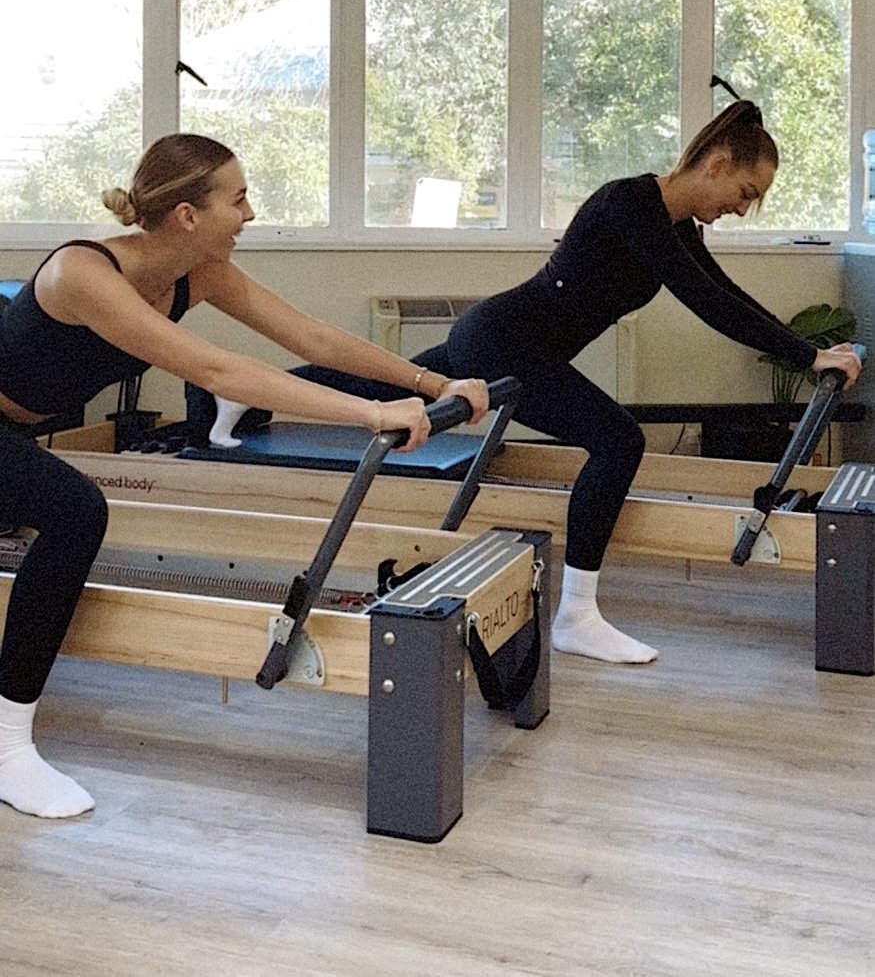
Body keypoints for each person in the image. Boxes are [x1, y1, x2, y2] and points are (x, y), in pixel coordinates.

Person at [0, 133, 489, 820]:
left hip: (14, 423)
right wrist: (373, 413)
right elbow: (216, 371)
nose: (250, 212)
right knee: (75, 510)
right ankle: (9, 751)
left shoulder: (198, 272)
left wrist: (435, 380)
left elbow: (312, 338)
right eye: (238, 198)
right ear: (187, 215)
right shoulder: (84, 273)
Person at [276, 99, 862, 665]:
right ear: (717, 164)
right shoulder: (632, 204)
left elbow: (725, 292)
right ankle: (577, 615)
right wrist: (808, 357)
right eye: (744, 193)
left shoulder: (677, 226)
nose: (741, 207)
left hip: (512, 342)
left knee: (385, 385)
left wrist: (809, 350)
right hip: (505, 341)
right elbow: (708, 304)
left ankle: (236, 397)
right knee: (618, 439)